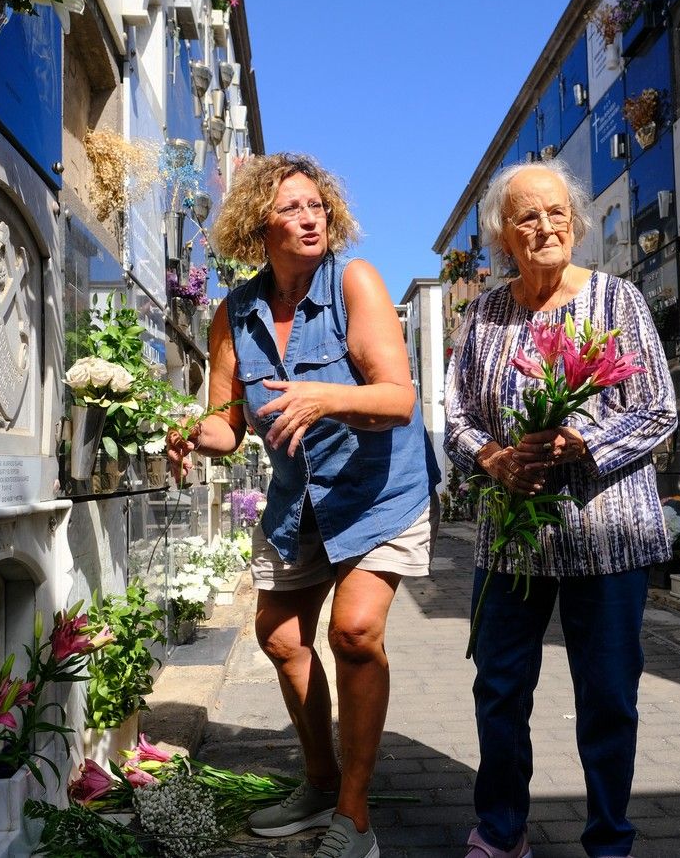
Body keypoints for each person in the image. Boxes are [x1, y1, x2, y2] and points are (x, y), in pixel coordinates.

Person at [168, 153, 440, 858]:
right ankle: (319, 780)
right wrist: (184, 432)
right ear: (259, 222)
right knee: (282, 637)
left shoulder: (355, 282)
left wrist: (329, 396)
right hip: (300, 501)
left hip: (378, 490)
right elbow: (227, 425)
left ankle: (354, 814)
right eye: (290, 207)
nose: (309, 216)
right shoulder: (236, 312)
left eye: (316, 205)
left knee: (353, 632)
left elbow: (398, 398)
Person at [444, 159, 677, 858]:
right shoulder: (483, 313)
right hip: (513, 542)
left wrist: (584, 441)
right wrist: (492, 457)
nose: (544, 226)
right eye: (526, 217)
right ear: (503, 238)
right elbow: (456, 415)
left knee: (608, 697)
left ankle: (609, 839)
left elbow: (659, 409)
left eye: (555, 214)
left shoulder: (618, 300)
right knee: (501, 689)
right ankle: (502, 829)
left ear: (573, 223)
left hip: (606, 538)